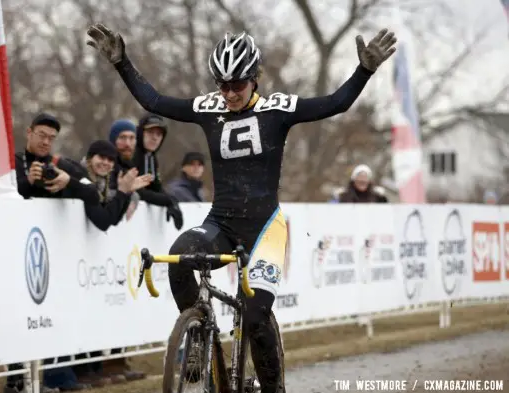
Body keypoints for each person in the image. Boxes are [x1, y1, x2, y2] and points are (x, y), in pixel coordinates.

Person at [86, 23, 396, 393]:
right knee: (180, 257)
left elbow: (335, 103)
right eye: (222, 84)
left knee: (255, 317)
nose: (229, 92)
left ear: (255, 79)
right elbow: (154, 101)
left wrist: (364, 71)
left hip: (265, 227)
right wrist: (123, 63)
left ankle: (272, 388)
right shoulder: (208, 107)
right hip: (222, 223)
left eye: (238, 84)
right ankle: (198, 339)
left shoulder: (277, 109)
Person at [133, 113, 184, 230]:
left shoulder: (151, 157)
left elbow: (156, 187)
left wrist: (173, 201)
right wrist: (167, 201)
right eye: (150, 132)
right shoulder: (133, 154)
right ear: (141, 133)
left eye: (159, 134)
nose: (155, 138)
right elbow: (136, 191)